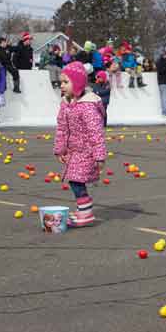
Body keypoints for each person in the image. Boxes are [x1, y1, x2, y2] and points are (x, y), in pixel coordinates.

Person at [53, 62, 107, 227]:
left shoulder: (88, 106)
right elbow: (62, 128)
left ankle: (85, 213)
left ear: (76, 83)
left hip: (86, 151)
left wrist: (99, 155)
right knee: (75, 181)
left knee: (76, 180)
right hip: (73, 151)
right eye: (60, 82)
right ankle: (83, 209)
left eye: (65, 82)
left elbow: (96, 132)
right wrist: (60, 150)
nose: (61, 86)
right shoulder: (66, 104)